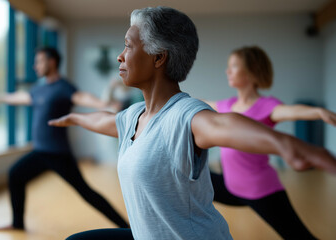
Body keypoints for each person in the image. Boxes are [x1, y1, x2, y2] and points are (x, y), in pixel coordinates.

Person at [48, 7, 336, 240]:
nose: (121, 56)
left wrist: (283, 144)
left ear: (159, 58)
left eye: (127, 46)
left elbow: (222, 125)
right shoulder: (134, 116)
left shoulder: (185, 115)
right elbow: (106, 120)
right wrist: (75, 118)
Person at [201, 46, 336, 239]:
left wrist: (318, 112)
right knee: (190, 176)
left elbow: (290, 110)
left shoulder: (266, 106)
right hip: (230, 186)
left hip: (260, 190)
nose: (227, 71)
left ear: (251, 70)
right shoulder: (226, 106)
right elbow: (201, 102)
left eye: (233, 66)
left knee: (299, 236)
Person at [0, 47, 129, 231]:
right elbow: (22, 97)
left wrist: (103, 104)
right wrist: (2, 97)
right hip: (40, 152)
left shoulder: (63, 87)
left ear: (52, 62)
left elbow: (82, 97)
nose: (35, 66)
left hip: (58, 154)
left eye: (39, 61)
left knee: (86, 192)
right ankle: (18, 223)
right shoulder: (39, 89)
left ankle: (125, 228)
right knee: (15, 175)